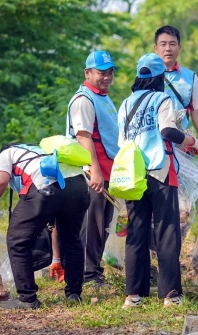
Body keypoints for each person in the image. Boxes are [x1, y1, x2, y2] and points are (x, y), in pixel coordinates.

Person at [118, 53, 198, 309]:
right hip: (160, 171)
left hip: (133, 175)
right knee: (167, 231)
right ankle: (171, 295)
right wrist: (192, 142)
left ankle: (134, 296)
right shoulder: (161, 98)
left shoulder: (125, 104)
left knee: (136, 233)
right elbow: (167, 131)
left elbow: (121, 143)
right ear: (159, 77)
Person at [0, 144, 90, 309]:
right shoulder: (40, 150)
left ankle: (27, 298)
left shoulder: (6, 154)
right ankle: (74, 294)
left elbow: (1, 180)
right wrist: (55, 258)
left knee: (16, 240)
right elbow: (53, 226)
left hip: (47, 184)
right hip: (79, 185)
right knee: (71, 238)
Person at [66, 50, 119, 288]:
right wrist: (94, 171)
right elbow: (83, 137)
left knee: (103, 225)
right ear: (87, 73)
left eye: (110, 72)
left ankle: (94, 269)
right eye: (101, 72)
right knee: (92, 224)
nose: (106, 77)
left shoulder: (104, 98)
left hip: (108, 171)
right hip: (92, 173)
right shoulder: (84, 99)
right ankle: (88, 275)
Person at [154, 25, 198, 173]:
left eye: (172, 44)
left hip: (182, 147)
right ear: (156, 48)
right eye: (163, 44)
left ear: (179, 47)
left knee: (182, 194)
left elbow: (197, 113)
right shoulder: (147, 77)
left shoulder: (190, 77)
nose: (168, 48)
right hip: (154, 147)